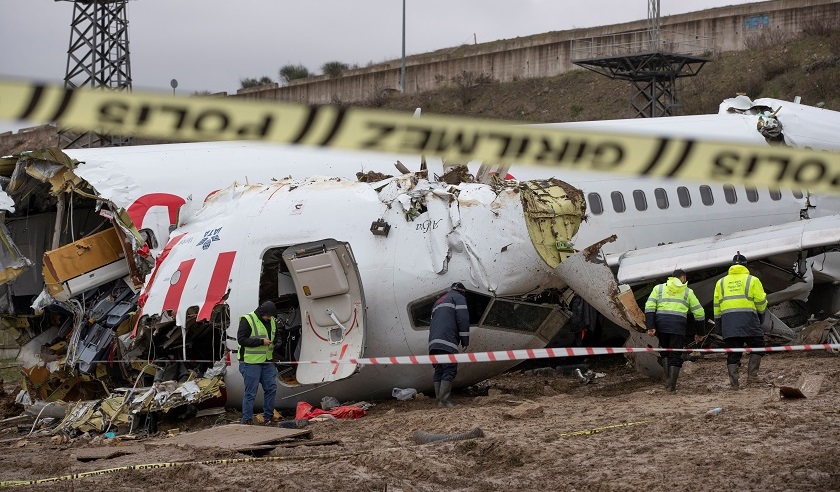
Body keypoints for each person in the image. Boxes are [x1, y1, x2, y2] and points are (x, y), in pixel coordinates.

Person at [714, 253, 767, 389]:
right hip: (749, 320)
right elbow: (761, 302)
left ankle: (734, 384)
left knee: (733, 353)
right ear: (745, 265)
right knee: (758, 346)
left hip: (729, 323)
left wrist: (719, 325)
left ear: (732, 266)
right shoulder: (752, 280)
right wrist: (760, 317)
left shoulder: (721, 282)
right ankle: (752, 376)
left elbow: (717, 306)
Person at [645, 269, 705, 392]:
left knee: (665, 352)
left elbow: (649, 306)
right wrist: (700, 333)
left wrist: (651, 326)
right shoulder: (688, 292)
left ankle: (668, 382)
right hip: (677, 326)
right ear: (683, 278)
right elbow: (699, 312)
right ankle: (671, 385)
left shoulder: (659, 288)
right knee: (675, 354)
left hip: (661, 325)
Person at [428, 282, 470, 408]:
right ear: (462, 291)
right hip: (447, 340)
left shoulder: (438, 301)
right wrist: (465, 340)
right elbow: (463, 319)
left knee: (439, 369)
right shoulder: (459, 298)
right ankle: (444, 401)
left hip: (433, 342)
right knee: (450, 368)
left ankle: (439, 400)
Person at [237, 301, 278, 424]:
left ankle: (268, 417)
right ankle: (247, 420)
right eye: (268, 316)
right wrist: (260, 342)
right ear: (262, 313)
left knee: (271, 388)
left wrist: (277, 342)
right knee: (251, 392)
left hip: (267, 360)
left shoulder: (271, 321)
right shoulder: (247, 320)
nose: (269, 318)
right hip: (250, 362)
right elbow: (241, 340)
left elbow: (275, 336)